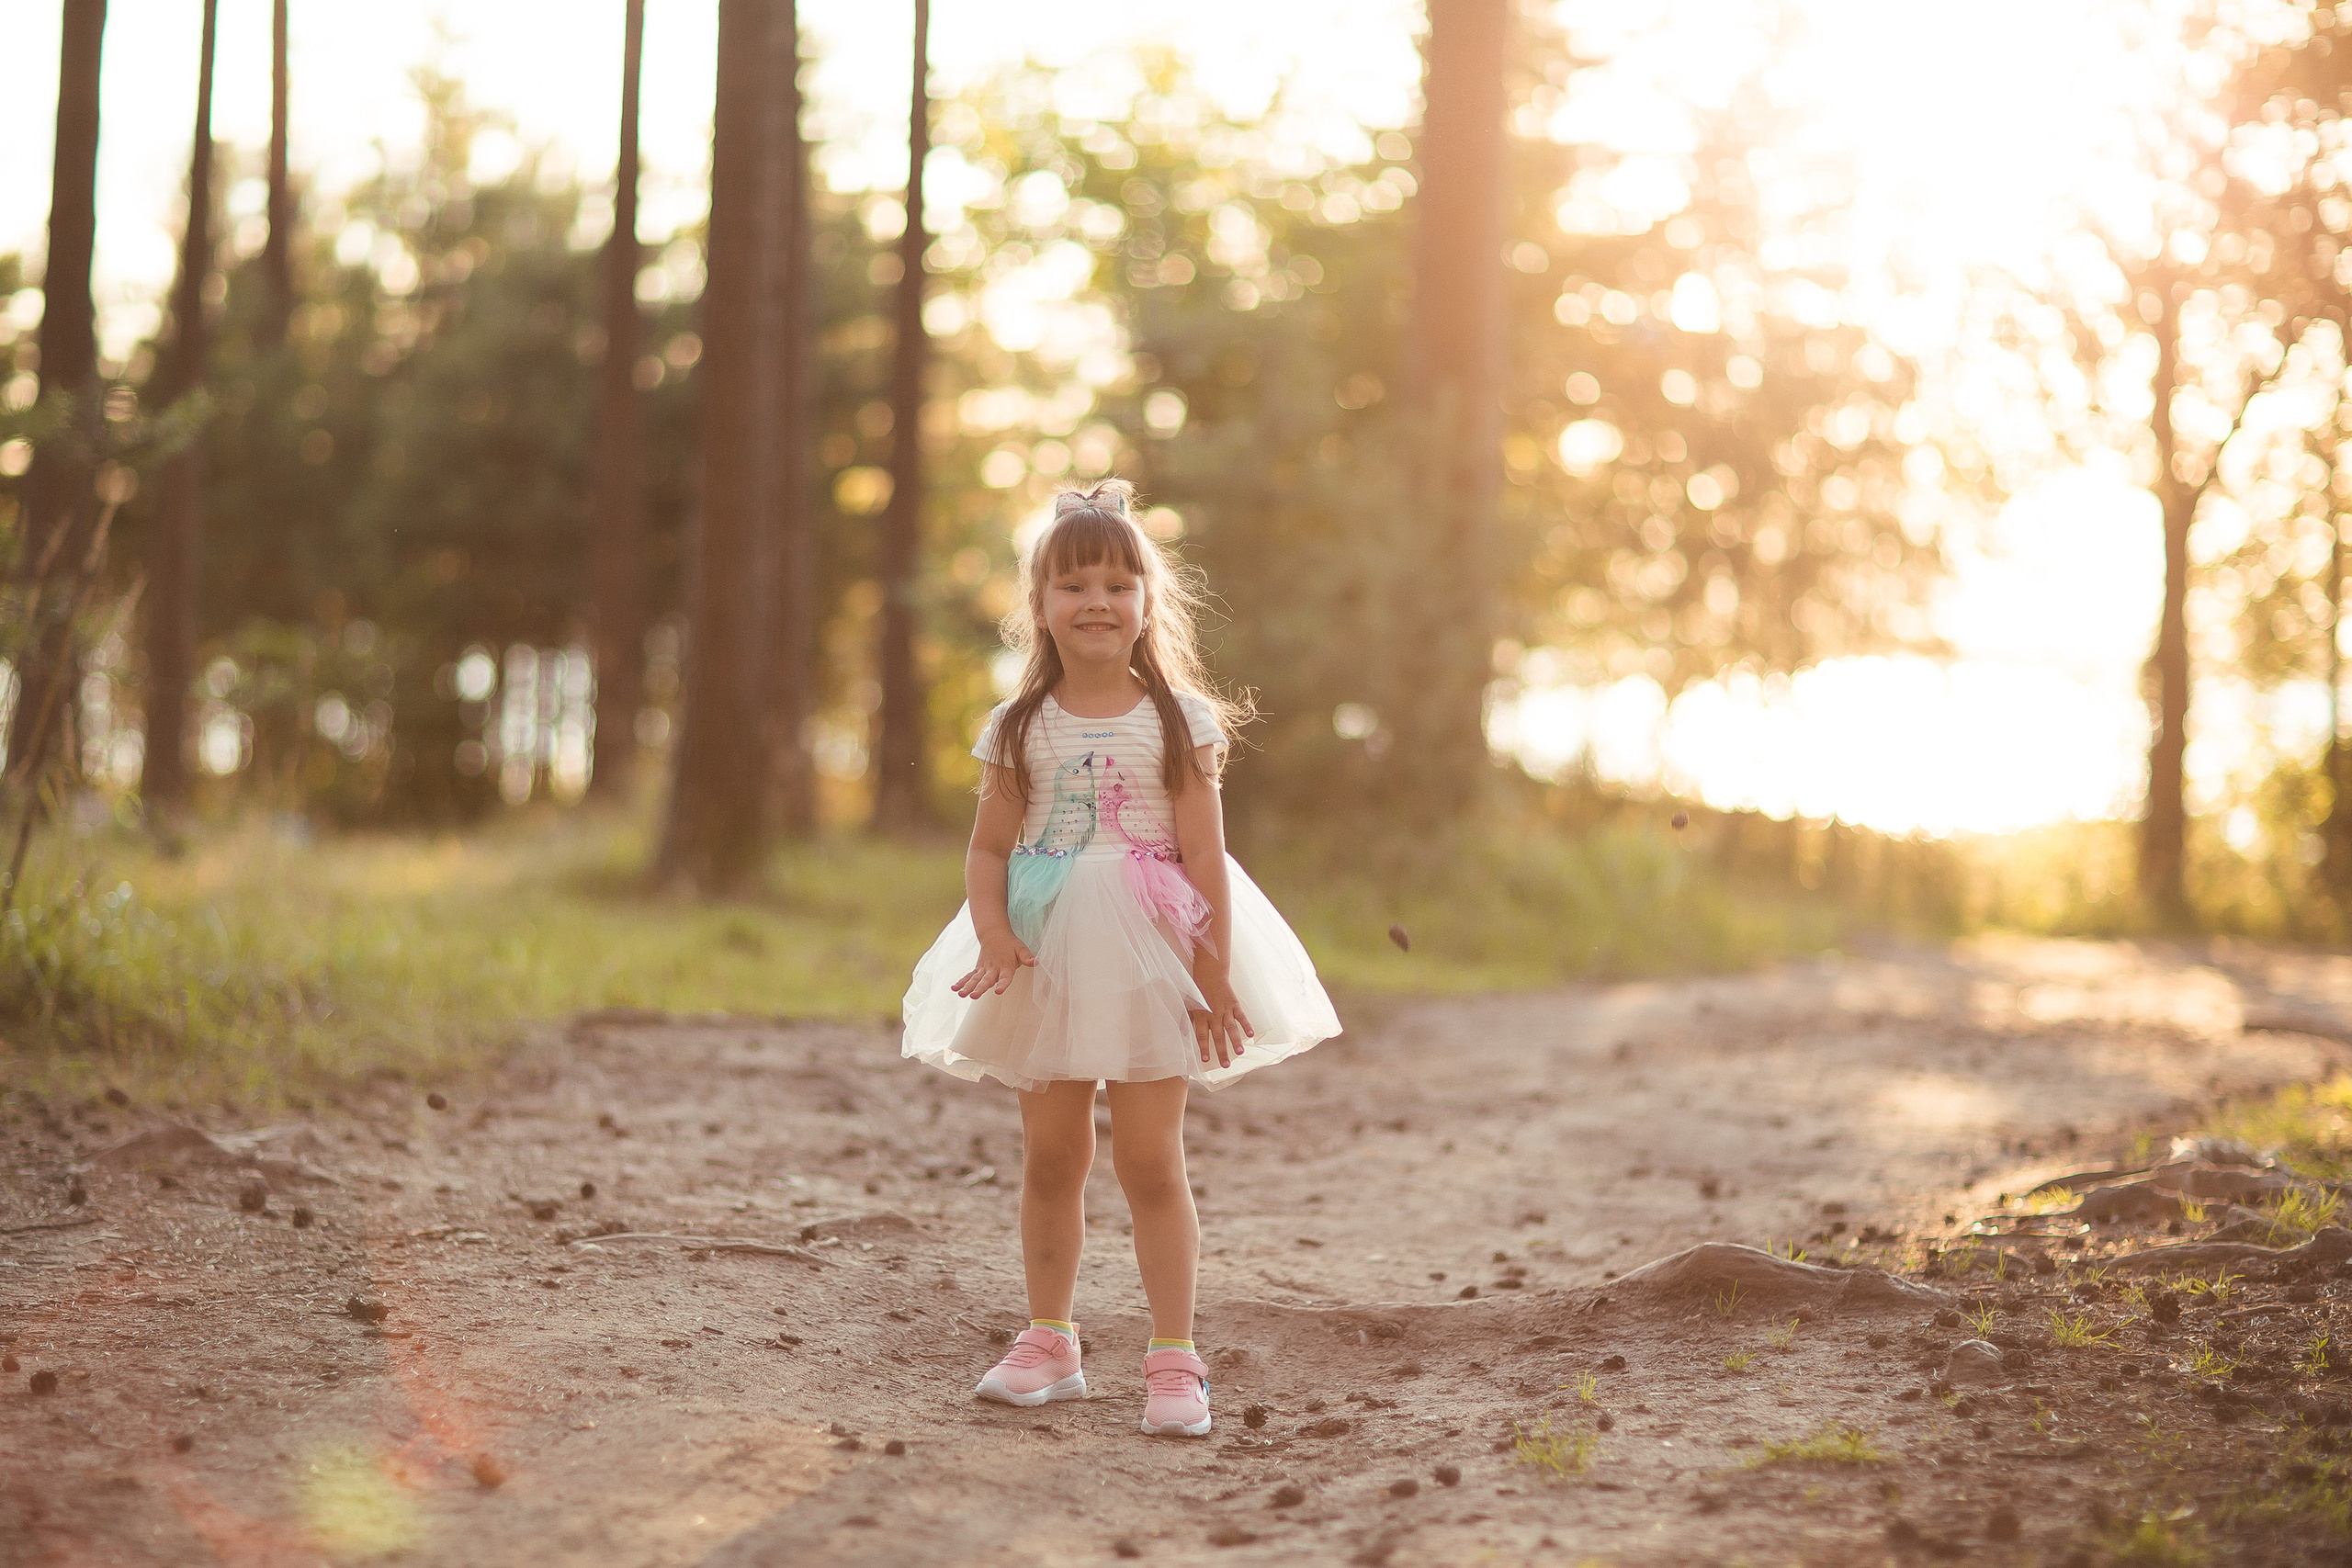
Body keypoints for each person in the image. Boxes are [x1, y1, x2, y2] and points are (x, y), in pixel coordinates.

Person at [901, 479, 1341, 1438]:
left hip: (1156, 949)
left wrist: (1211, 971)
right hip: (1044, 948)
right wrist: (992, 932)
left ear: (1146, 602)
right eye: (1073, 586)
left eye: (1115, 583)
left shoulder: (1178, 720)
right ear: (1041, 606)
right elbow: (986, 849)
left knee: (1149, 1159)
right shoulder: (1018, 726)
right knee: (1053, 1155)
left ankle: (1174, 1358)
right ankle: (1049, 1341)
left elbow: (1201, 856)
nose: (1095, 602)